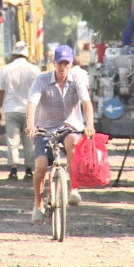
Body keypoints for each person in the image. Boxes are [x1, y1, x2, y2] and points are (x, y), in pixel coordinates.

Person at [26, 45, 95, 223]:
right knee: (41, 166)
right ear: (53, 63)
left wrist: (89, 124)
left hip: (69, 126)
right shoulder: (41, 80)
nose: (63, 67)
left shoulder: (77, 78)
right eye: (59, 63)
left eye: (66, 63)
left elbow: (86, 102)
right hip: (45, 129)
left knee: (73, 142)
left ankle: (74, 188)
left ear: (71, 63)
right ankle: (37, 203)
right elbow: (32, 103)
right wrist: (30, 125)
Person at [0, 41, 39, 181]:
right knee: (29, 141)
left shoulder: (6, 69)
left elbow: (0, 92)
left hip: (11, 110)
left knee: (12, 141)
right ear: (26, 55)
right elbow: (40, 91)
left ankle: (13, 170)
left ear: (14, 55)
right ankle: (29, 170)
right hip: (30, 110)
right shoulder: (34, 70)